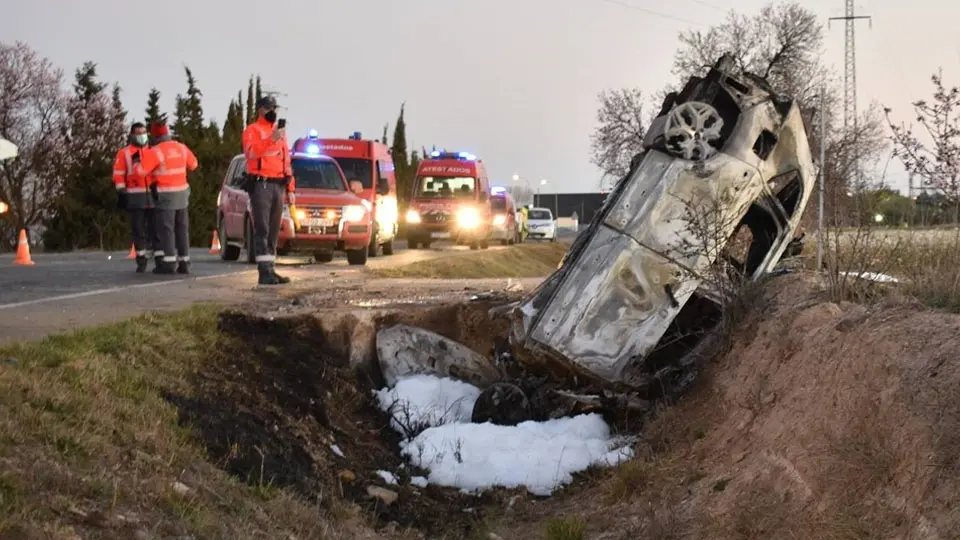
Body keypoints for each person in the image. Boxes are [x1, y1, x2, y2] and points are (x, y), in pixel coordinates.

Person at [241, 95, 295, 285]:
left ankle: (271, 269)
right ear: (261, 110)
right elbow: (251, 152)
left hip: (277, 185)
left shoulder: (279, 133)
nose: (273, 112)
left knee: (273, 229)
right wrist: (271, 140)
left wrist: (291, 188)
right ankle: (263, 271)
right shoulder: (252, 130)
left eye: (275, 108)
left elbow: (286, 161)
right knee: (262, 228)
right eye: (269, 108)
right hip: (261, 184)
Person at [135, 121, 198, 274]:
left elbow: (140, 172)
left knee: (167, 229)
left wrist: (138, 162)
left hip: (165, 195)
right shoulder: (181, 147)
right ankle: (185, 262)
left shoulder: (156, 151)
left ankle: (169, 263)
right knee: (182, 229)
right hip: (182, 195)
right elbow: (194, 164)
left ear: (154, 136)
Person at [113, 122, 159, 273]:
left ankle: (159, 260)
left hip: (152, 196)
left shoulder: (153, 151)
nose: (141, 136)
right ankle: (141, 261)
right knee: (138, 230)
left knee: (155, 230)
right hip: (134, 196)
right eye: (138, 133)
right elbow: (118, 174)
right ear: (132, 135)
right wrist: (121, 192)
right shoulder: (124, 153)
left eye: (144, 132)